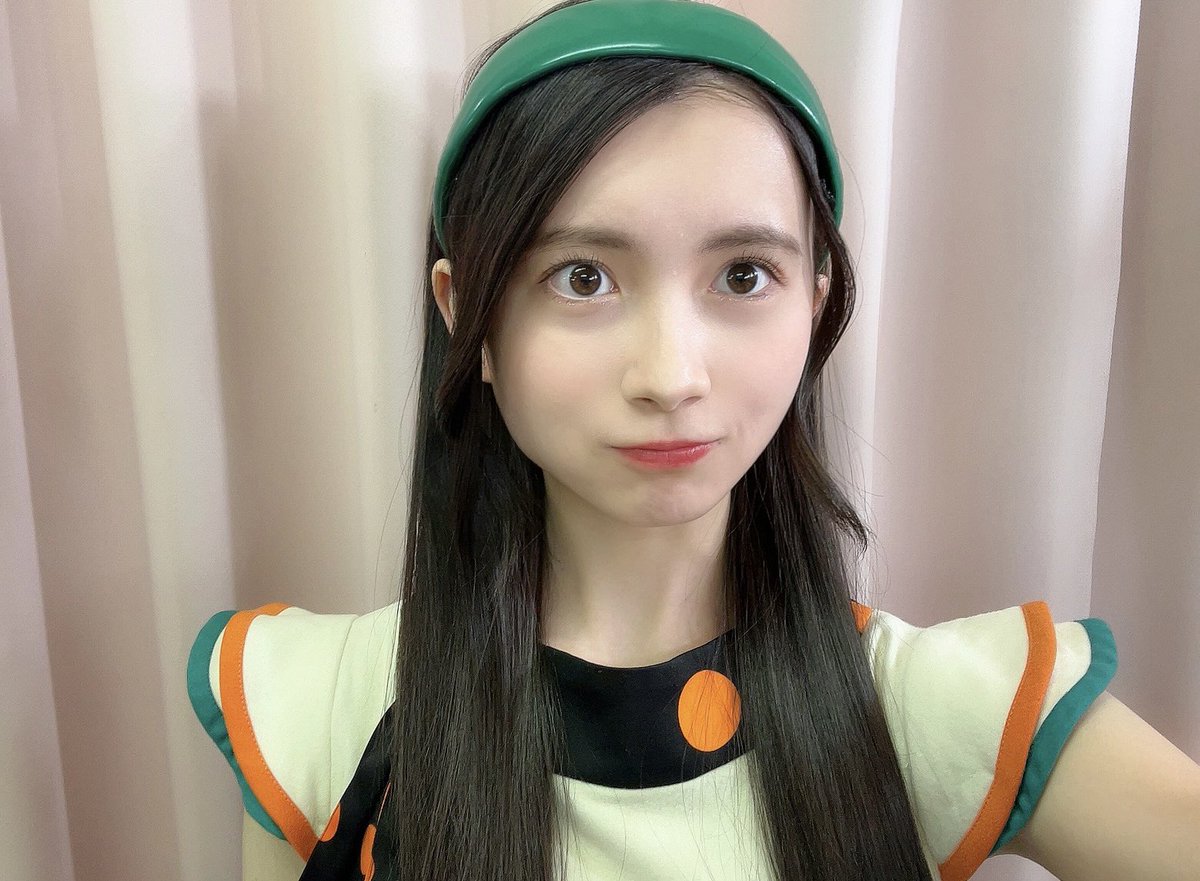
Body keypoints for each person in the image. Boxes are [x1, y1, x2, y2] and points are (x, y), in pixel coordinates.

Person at [186, 1, 1200, 879]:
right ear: (468, 320)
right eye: (583, 277)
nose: (671, 375)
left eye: (743, 275)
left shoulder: (936, 710)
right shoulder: (318, 707)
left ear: (816, 302)